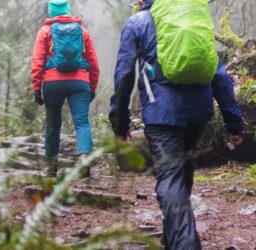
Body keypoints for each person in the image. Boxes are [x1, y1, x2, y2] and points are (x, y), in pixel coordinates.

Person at [109, 0, 244, 248]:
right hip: (199, 110)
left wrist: (119, 122)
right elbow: (219, 74)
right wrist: (234, 123)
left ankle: (186, 245)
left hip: (162, 113)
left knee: (170, 178)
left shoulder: (138, 22)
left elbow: (124, 74)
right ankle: (173, 242)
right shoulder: (193, 18)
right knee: (183, 172)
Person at [31, 0, 99, 177]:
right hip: (80, 82)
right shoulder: (82, 31)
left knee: (53, 124)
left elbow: (38, 60)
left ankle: (51, 166)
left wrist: (36, 87)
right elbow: (93, 62)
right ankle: (84, 157)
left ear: (51, 12)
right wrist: (92, 86)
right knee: (82, 122)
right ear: (68, 11)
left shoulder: (45, 31)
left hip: (52, 83)